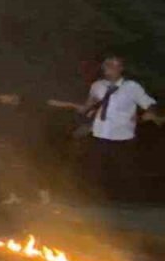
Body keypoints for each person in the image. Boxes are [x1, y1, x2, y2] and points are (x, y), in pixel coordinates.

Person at [58, 56, 160, 201]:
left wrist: (148, 114)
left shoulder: (132, 87)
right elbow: (89, 105)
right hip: (100, 133)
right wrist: (75, 108)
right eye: (107, 65)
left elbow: (149, 104)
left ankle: (133, 200)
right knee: (93, 168)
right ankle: (90, 198)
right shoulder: (97, 85)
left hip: (122, 136)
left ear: (121, 69)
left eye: (113, 65)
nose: (109, 68)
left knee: (126, 171)